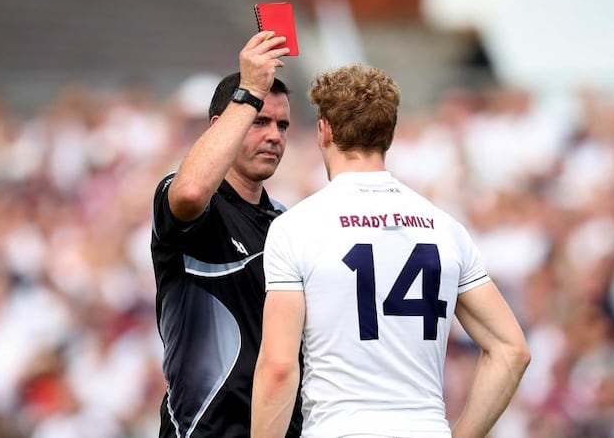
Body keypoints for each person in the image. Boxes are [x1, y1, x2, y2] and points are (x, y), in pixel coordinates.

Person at [251, 64, 531, 438]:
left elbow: (280, 367)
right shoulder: (447, 229)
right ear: (390, 134)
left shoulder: (296, 228)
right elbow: (511, 349)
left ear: (324, 131)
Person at [150, 31, 302, 438]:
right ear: (223, 126)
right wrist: (250, 89)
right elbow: (192, 191)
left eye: (282, 125)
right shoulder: (188, 200)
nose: (274, 135)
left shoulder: (286, 224)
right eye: (259, 121)